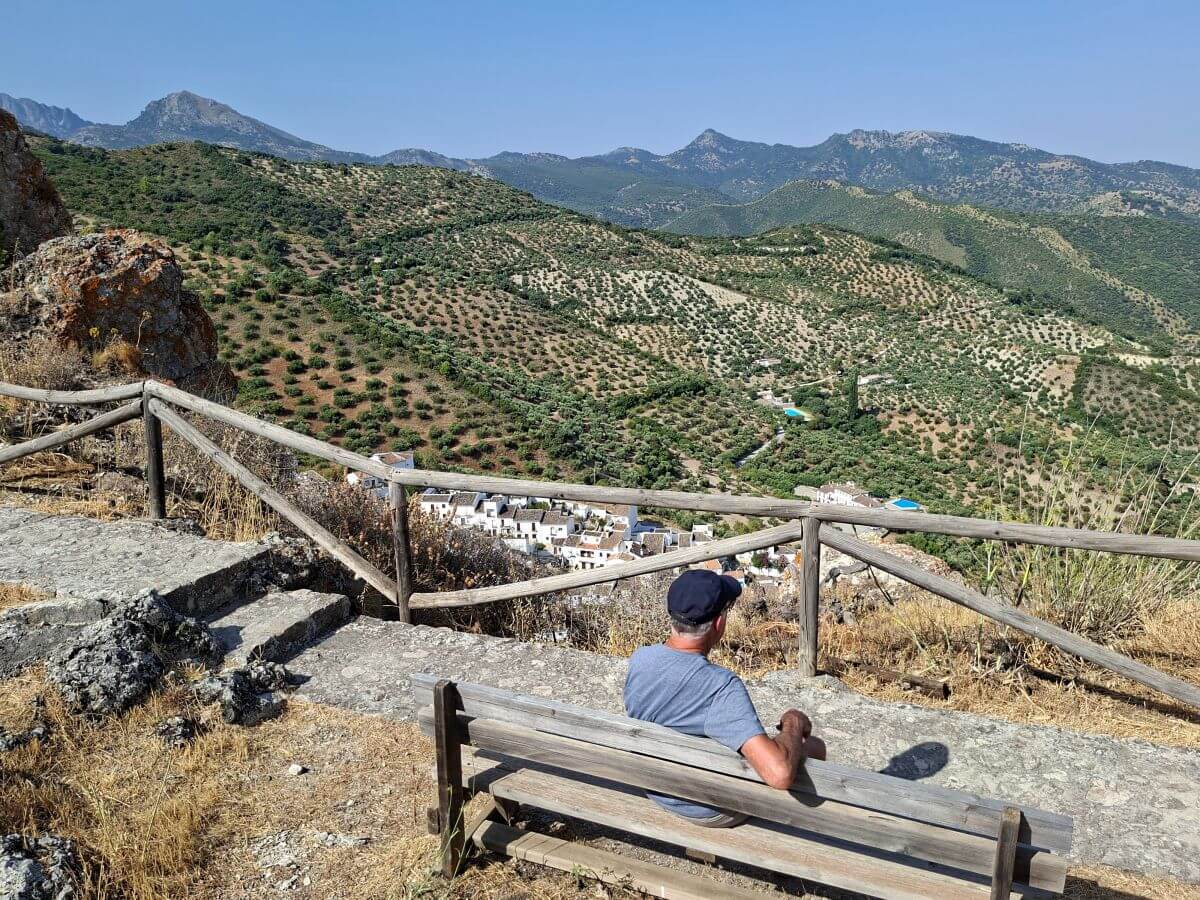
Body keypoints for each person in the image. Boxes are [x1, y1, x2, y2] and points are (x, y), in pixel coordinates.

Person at [623, 568, 827, 827]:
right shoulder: (720, 687)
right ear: (719, 623)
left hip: (656, 786)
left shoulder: (641, 658)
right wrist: (794, 723)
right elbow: (779, 774)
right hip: (705, 808)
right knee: (814, 748)